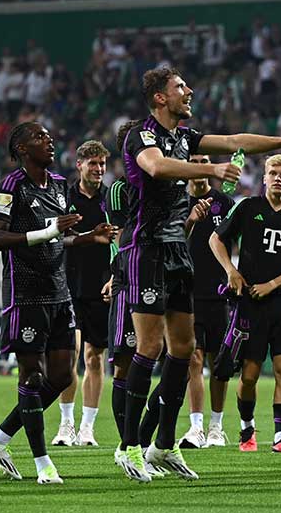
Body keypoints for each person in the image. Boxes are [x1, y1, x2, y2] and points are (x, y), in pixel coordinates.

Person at [116, 66, 281, 482]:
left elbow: (233, 141)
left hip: (176, 250)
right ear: (160, 97)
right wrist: (211, 171)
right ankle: (129, 446)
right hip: (145, 249)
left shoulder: (183, 136)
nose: (188, 90)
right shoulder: (141, 135)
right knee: (151, 347)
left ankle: (163, 444)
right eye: (180, 87)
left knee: (183, 349)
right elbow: (156, 168)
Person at [0, 122, 116, 484]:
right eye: (39, 137)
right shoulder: (12, 187)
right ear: (22, 149)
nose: (49, 140)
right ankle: (42, 463)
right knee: (32, 375)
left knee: (61, 376)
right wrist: (47, 231)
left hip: (59, 292)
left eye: (49, 136)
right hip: (26, 294)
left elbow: (59, 239)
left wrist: (88, 237)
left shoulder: (57, 184)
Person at [210, 154, 281, 454]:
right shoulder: (247, 207)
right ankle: (247, 428)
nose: (278, 178)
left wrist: (273, 284)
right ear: (263, 178)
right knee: (249, 374)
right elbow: (216, 240)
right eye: (273, 173)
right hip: (250, 302)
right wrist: (231, 270)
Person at [106, 119, 169, 479]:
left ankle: (141, 443)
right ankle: (126, 445)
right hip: (128, 276)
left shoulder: (159, 187)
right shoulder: (119, 189)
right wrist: (115, 273)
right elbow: (119, 235)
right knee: (125, 362)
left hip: (159, 274)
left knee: (169, 355)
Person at [54, 140, 115, 448]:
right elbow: (56, 237)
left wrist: (116, 276)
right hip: (68, 285)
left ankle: (87, 427)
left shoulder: (112, 199)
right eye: (93, 163)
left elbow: (122, 241)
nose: (99, 169)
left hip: (101, 286)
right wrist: (91, 237)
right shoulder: (64, 198)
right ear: (79, 165)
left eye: (102, 164)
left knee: (95, 357)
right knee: (70, 355)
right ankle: (66, 424)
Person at [178, 153, 235, 449]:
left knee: (218, 362)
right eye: (195, 161)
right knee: (194, 359)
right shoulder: (178, 202)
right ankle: (196, 427)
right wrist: (190, 220)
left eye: (205, 161)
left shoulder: (225, 204)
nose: (200, 166)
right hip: (187, 293)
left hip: (218, 293)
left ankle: (216, 426)